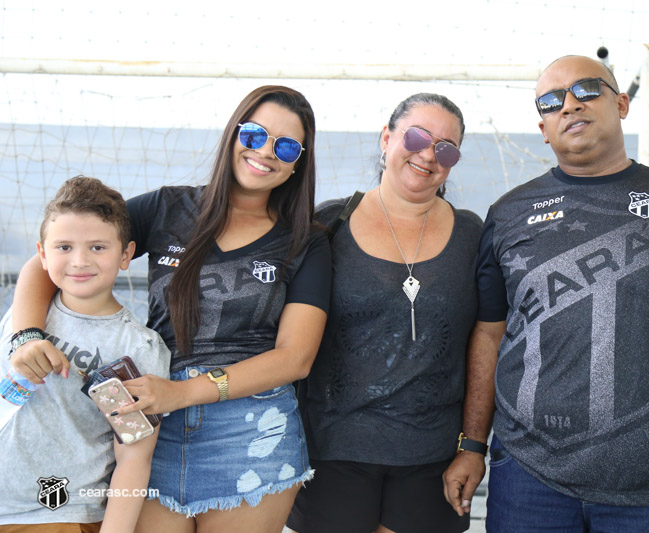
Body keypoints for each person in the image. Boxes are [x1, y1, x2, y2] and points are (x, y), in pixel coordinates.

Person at [443, 55, 649, 532]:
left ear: (621, 103)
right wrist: (473, 445)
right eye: (550, 101)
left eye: (586, 89)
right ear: (543, 128)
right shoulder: (507, 214)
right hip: (528, 477)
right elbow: (488, 336)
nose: (568, 105)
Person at [10, 86, 331, 533]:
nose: (266, 152)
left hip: (253, 431)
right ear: (234, 134)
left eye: (287, 145)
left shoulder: (306, 241)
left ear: (300, 160)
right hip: (153, 426)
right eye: (256, 134)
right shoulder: (167, 207)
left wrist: (182, 393)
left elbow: (295, 358)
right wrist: (26, 336)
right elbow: (53, 259)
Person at [286, 93, 482, 533]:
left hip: (433, 457)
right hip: (331, 450)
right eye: (417, 137)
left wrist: (474, 446)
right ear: (386, 138)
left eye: (446, 148)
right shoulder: (327, 226)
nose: (429, 155)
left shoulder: (473, 235)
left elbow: (485, 343)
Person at [0, 176, 171, 533]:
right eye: (64, 247)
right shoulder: (22, 315)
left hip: (58, 513)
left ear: (126, 255)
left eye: (97, 247)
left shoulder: (138, 347)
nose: (79, 261)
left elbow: (134, 457)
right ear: (42, 254)